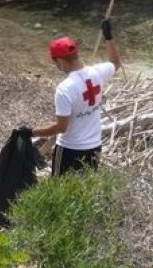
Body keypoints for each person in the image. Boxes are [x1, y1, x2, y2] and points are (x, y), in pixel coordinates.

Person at [18, 19, 120, 176]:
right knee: (85, 191)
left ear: (59, 61)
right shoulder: (98, 73)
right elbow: (115, 63)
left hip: (70, 149)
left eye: (55, 62)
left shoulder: (65, 89)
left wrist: (31, 132)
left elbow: (61, 127)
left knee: (60, 191)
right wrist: (108, 37)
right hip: (94, 146)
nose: (56, 66)